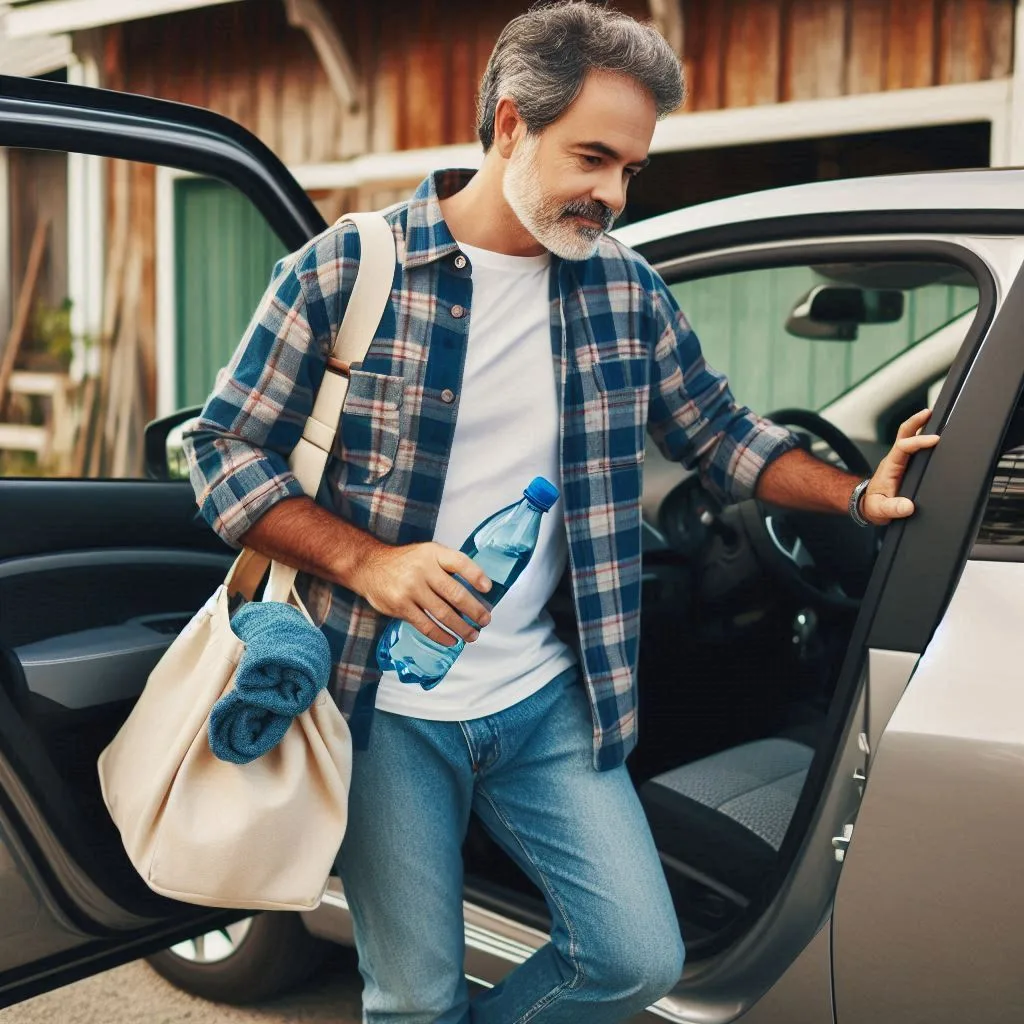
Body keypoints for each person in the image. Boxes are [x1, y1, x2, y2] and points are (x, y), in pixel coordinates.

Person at [183, 3, 938, 1021]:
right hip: (382, 711)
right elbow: (223, 450)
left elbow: (718, 433)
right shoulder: (346, 270)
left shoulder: (620, 289)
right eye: (593, 157)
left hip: (551, 700)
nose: (612, 194)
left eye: (631, 169)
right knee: (413, 994)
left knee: (633, 958)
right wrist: (369, 563)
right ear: (508, 125)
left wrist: (855, 493)